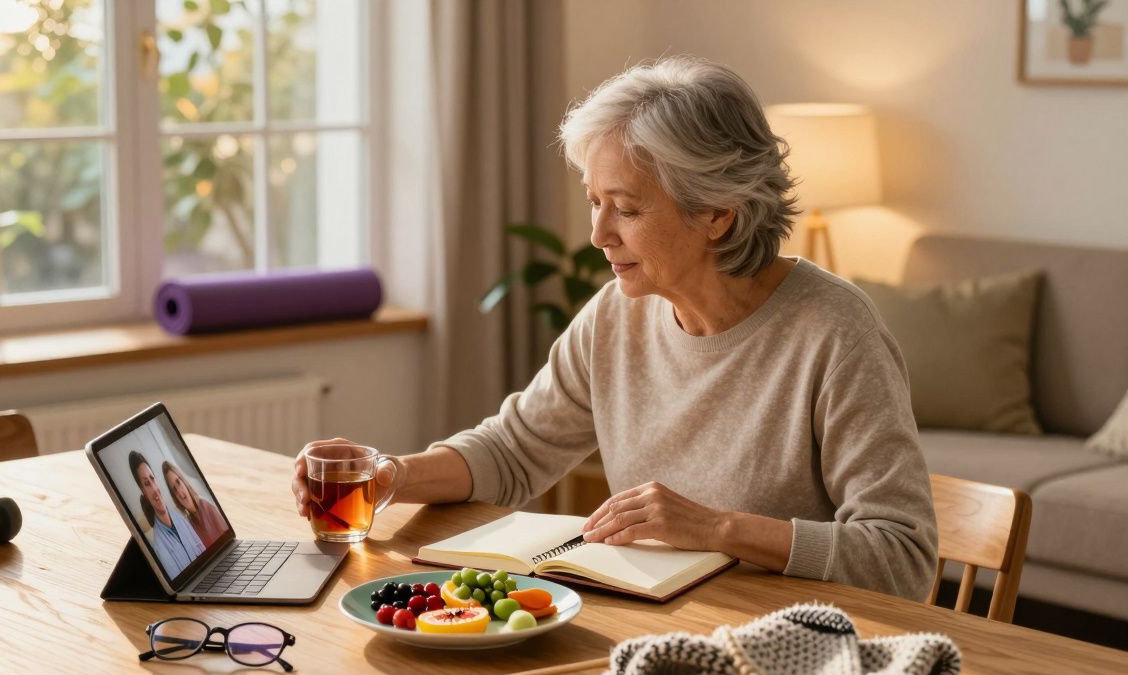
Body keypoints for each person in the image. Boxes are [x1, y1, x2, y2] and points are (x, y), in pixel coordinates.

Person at [290, 57, 937, 600]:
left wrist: (719, 529)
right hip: (651, 633)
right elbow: (515, 450)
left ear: (718, 214)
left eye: (626, 209)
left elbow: (903, 558)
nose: (598, 235)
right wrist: (391, 476)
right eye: (595, 201)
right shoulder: (614, 316)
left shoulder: (834, 332)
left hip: (794, 652)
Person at [129, 450, 205, 577]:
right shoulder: (160, 548)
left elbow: (203, 550)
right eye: (147, 484)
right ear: (143, 492)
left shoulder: (180, 517)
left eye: (152, 479)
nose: (154, 489)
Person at [162, 460, 228, 548]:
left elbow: (229, 540)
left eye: (178, 482)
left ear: (184, 482)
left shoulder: (207, 505)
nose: (179, 492)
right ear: (175, 497)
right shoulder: (189, 525)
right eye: (174, 489)